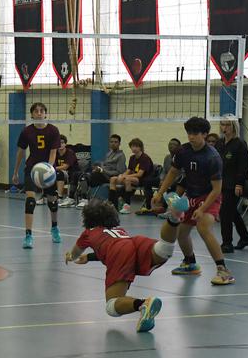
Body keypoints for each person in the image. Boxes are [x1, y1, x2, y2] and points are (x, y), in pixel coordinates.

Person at [65, 196, 187, 332]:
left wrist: (70, 256)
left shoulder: (88, 233)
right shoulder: (118, 229)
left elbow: (76, 253)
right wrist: (89, 257)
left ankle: (143, 304)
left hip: (119, 253)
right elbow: (111, 247)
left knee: (111, 305)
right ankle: (174, 219)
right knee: (164, 249)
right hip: (134, 242)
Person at [153, 116, 235, 286]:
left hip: (210, 196)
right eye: (189, 133)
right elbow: (173, 173)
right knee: (182, 233)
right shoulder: (183, 151)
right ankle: (190, 263)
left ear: (204, 134)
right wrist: (160, 193)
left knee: (203, 227)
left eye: (195, 133)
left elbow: (217, 189)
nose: (191, 136)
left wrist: (203, 208)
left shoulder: (212, 158)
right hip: (191, 195)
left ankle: (224, 271)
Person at [13, 102, 62, 248]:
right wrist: (15, 171)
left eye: (41, 111)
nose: (39, 113)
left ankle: (54, 227)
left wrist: (48, 168)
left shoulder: (53, 130)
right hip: (32, 170)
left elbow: (53, 152)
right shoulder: (26, 131)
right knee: (30, 201)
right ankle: (28, 235)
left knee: (52, 201)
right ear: (32, 114)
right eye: (36, 111)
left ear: (45, 113)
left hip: (48, 170)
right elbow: (21, 152)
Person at [216, 119, 248, 253]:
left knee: (225, 212)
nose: (224, 127)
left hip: (233, 184)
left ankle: (227, 243)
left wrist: (239, 183)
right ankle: (245, 237)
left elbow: (245, 167)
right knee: (231, 211)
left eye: (227, 125)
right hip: (221, 182)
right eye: (222, 124)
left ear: (233, 127)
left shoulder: (240, 144)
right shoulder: (219, 143)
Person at [78, 135, 126, 209]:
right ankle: (78, 198)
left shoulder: (121, 156)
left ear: (119, 143)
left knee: (88, 177)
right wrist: (99, 168)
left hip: (109, 177)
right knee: (81, 175)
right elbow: (105, 165)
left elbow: (120, 171)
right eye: (111, 142)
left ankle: (85, 199)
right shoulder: (108, 154)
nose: (113, 143)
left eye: (116, 142)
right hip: (101, 174)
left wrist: (102, 170)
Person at [109, 138, 152, 214]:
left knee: (127, 180)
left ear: (140, 147)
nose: (134, 148)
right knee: (113, 179)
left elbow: (140, 174)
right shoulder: (132, 158)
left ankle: (127, 206)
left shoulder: (145, 158)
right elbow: (128, 170)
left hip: (143, 179)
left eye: (136, 146)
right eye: (132, 146)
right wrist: (122, 175)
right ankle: (113, 204)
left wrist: (126, 177)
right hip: (133, 177)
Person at [56, 136, 79, 207]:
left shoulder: (69, 152)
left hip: (72, 174)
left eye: (62, 143)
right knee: (46, 174)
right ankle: (44, 196)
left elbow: (65, 167)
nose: (60, 144)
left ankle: (59, 197)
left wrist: (52, 168)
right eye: (58, 143)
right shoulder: (55, 153)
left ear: (65, 144)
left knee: (60, 173)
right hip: (60, 173)